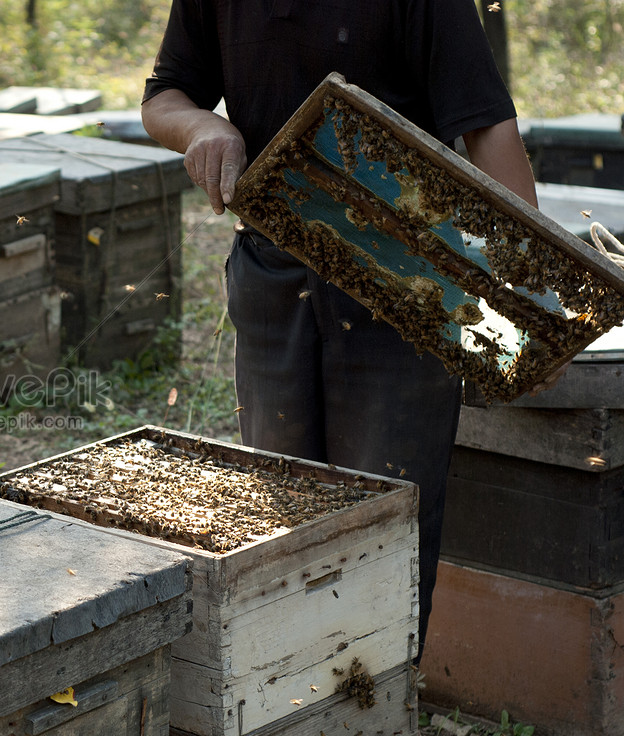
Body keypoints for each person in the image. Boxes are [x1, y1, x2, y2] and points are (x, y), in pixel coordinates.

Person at [140, 0, 538, 662]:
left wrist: (529, 288)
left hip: (402, 285)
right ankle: (284, 711)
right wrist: (205, 128)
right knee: (280, 513)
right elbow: (165, 97)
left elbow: (487, 125)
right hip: (272, 273)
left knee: (379, 526)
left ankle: (374, 714)